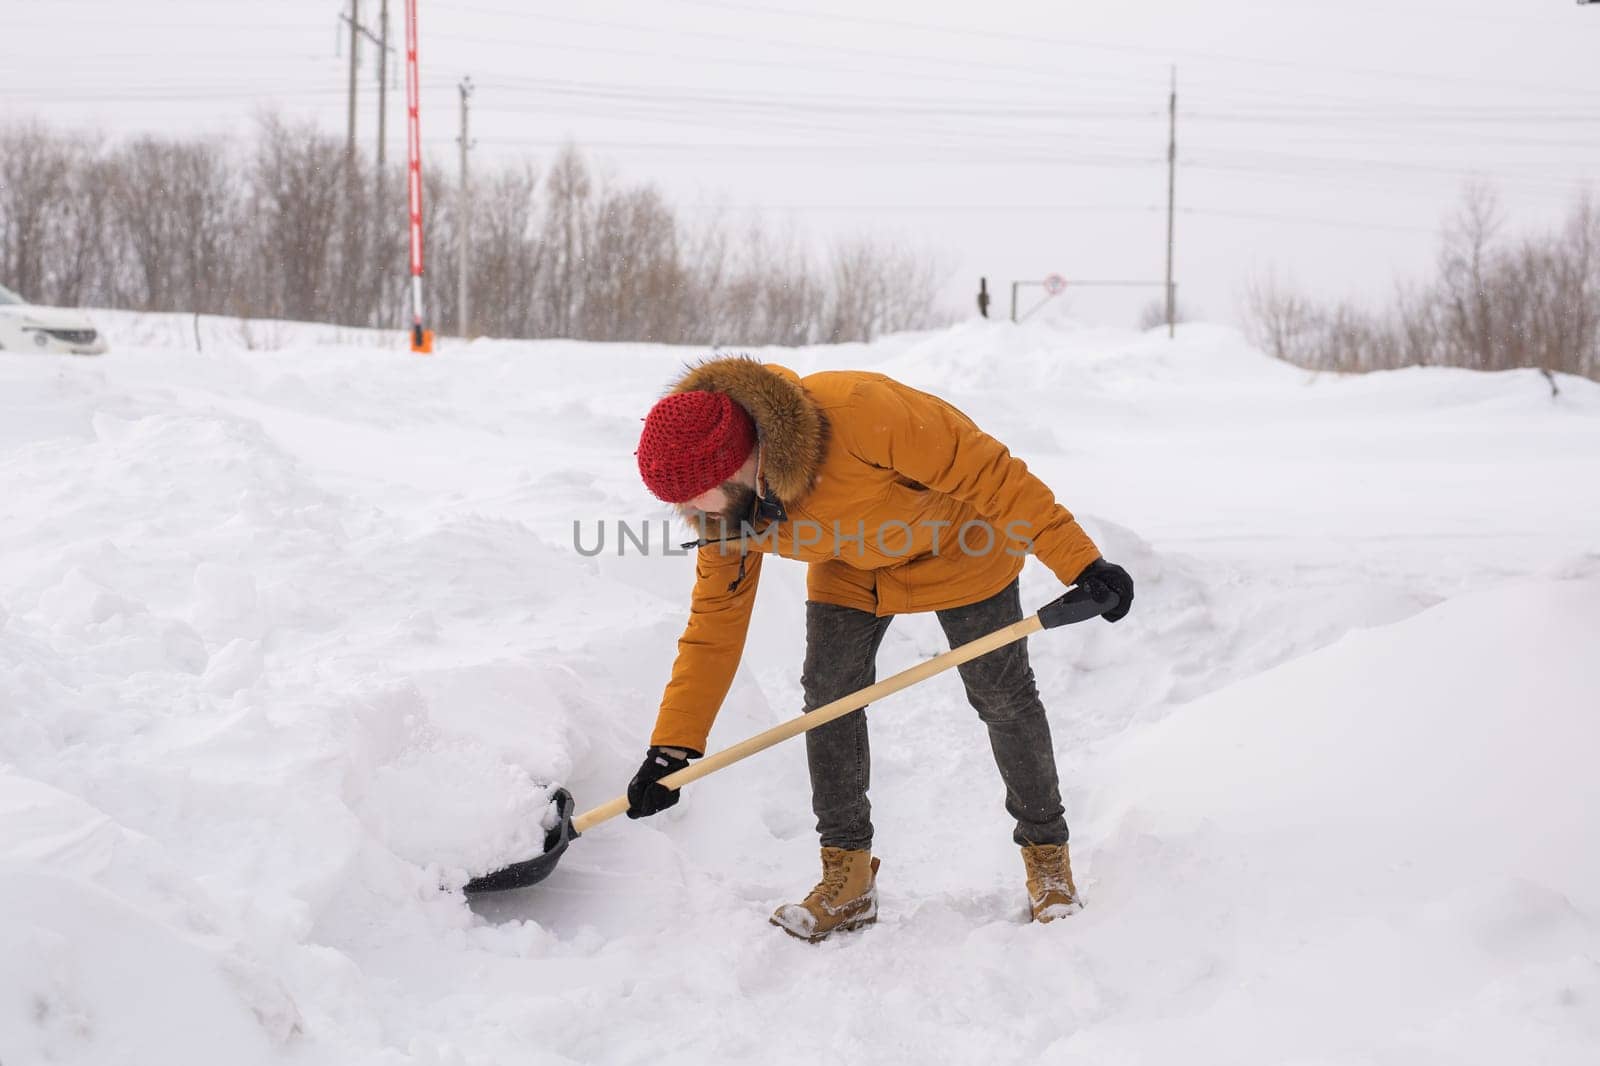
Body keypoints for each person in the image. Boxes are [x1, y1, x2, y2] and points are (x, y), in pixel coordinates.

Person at [626, 355, 1133, 942]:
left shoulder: (861, 413)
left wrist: (1083, 563)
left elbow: (993, 476)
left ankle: (1048, 859)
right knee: (828, 698)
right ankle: (846, 879)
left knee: (1002, 695)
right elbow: (715, 624)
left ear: (737, 466)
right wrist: (673, 747)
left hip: (961, 546)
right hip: (852, 568)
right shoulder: (731, 515)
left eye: (694, 499)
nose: (690, 516)